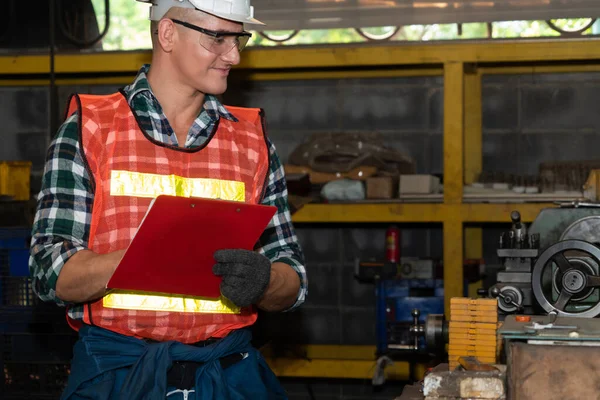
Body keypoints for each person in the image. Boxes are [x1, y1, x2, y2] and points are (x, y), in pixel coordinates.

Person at [28, 0, 307, 398]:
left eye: (239, 38)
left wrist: (264, 280)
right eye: (218, 38)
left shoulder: (252, 142)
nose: (234, 55)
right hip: (119, 375)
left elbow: (293, 278)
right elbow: (47, 270)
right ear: (168, 33)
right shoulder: (91, 130)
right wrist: (148, 258)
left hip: (225, 376)